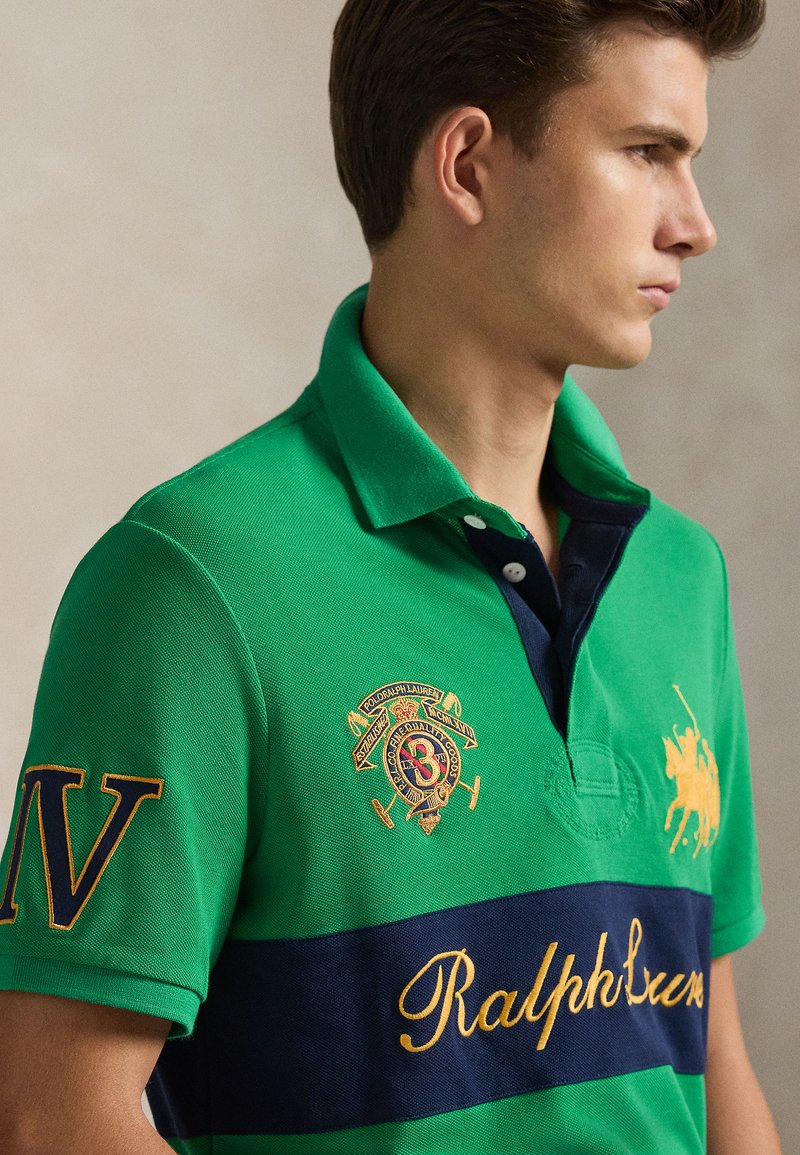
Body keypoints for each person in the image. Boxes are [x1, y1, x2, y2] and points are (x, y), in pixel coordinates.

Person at [0, 0, 783, 1151]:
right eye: (644, 152)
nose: (694, 225)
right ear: (465, 165)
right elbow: (57, 1112)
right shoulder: (192, 582)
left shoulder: (679, 575)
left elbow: (710, 1054)